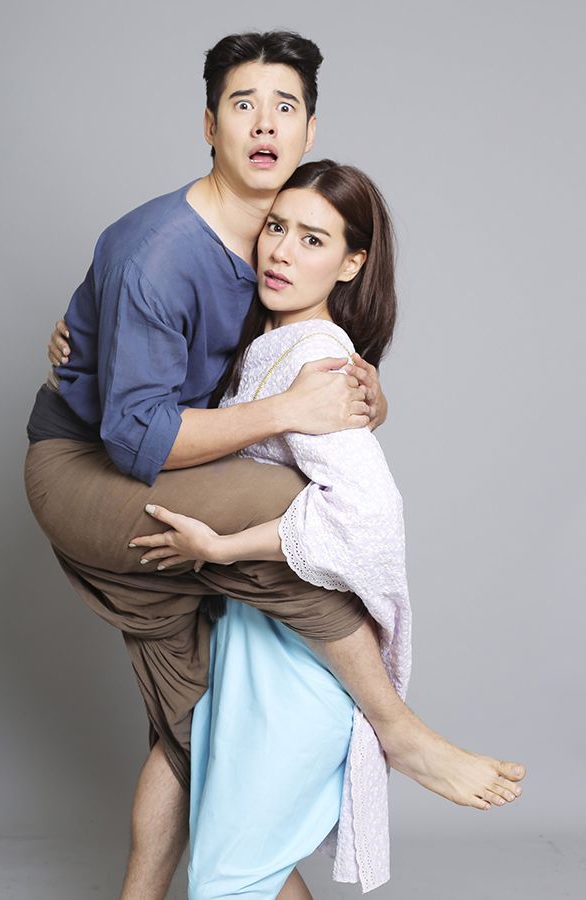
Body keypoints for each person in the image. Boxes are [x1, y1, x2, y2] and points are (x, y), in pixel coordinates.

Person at [27, 30, 422, 900]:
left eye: (285, 106)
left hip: (160, 462)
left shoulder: (277, 239)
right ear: (210, 124)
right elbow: (137, 437)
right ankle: (396, 725)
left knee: (195, 721)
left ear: (311, 128)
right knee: (291, 507)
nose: (264, 124)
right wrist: (290, 411)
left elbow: (296, 349)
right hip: (86, 466)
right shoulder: (160, 250)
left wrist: (365, 394)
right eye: (243, 104)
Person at [125, 160, 526, 898]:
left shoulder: (314, 356)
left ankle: (406, 736)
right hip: (253, 645)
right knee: (251, 871)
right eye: (276, 227)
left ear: (351, 263)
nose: (281, 251)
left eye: (313, 239)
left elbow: (367, 520)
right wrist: (80, 341)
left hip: (296, 667)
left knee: (231, 877)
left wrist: (225, 546)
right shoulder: (268, 344)